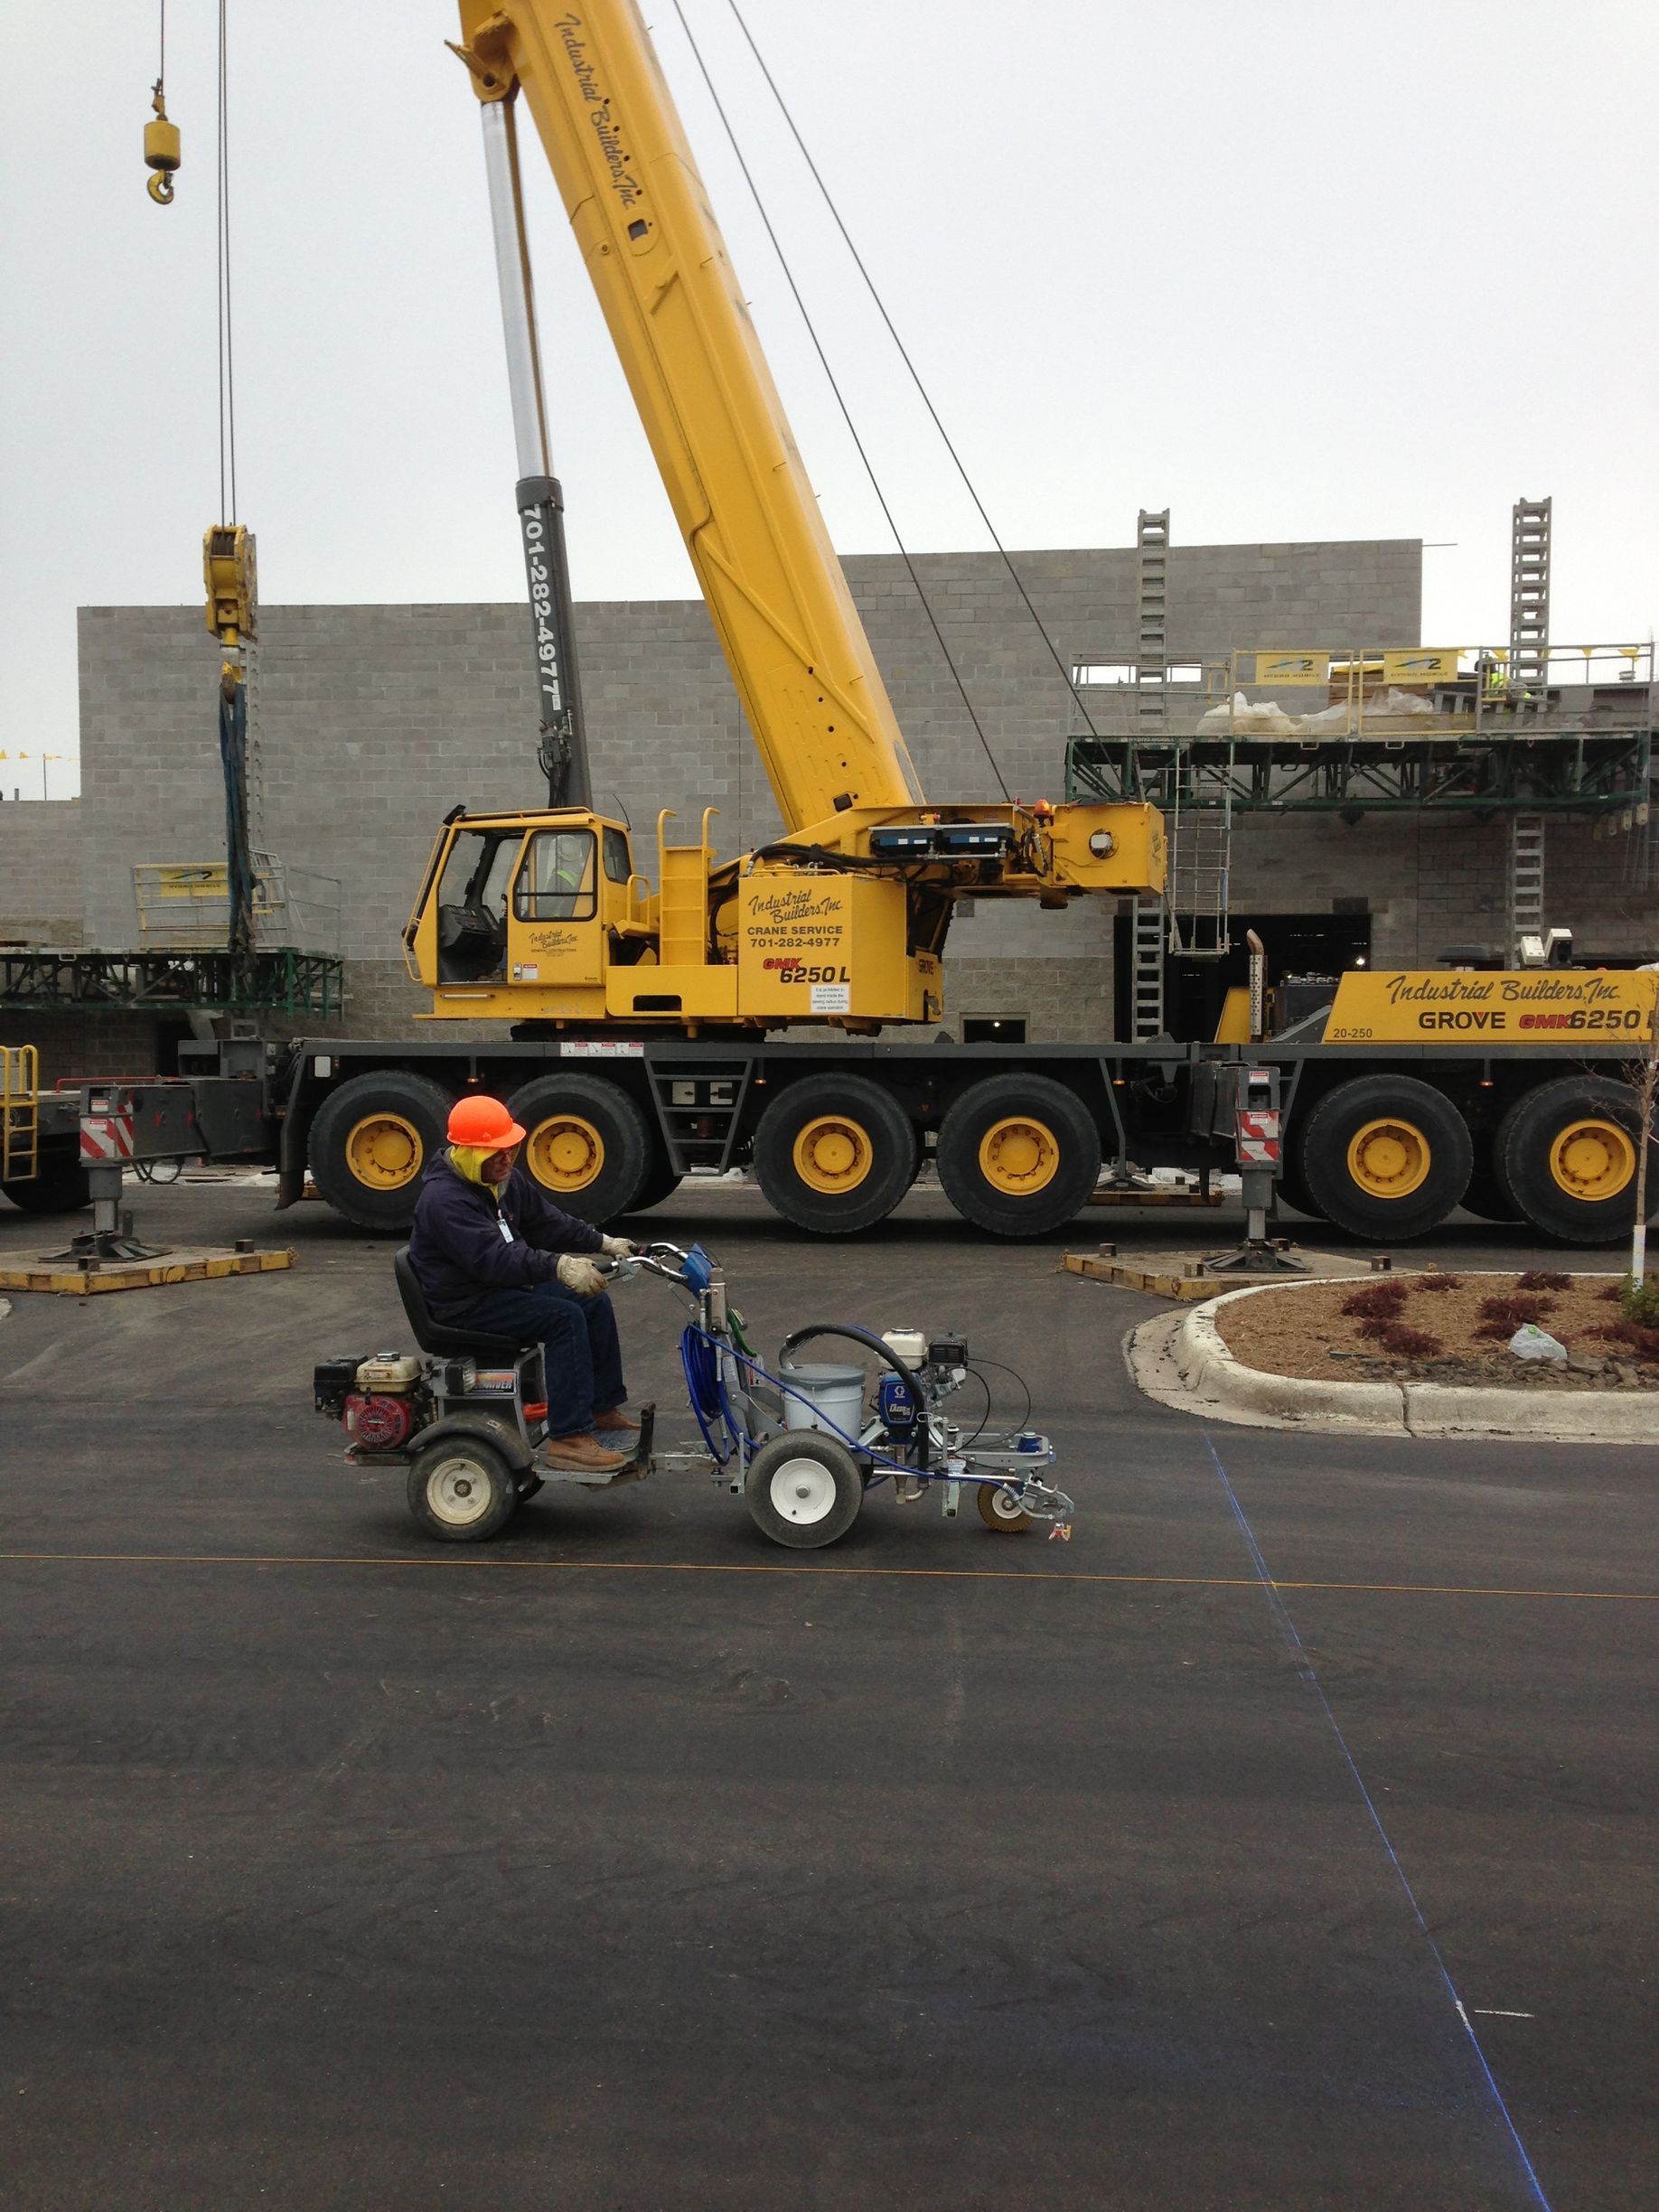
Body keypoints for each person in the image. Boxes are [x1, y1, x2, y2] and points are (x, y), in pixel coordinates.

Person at [407, 1093, 638, 1475]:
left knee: (592, 1302)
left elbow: (547, 1221)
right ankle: (569, 1438)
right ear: (468, 1153)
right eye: (495, 1152)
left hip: (495, 1287)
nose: (506, 1158)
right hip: (465, 1302)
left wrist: (602, 1242)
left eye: (509, 1149)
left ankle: (601, 1408)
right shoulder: (444, 1200)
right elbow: (495, 1261)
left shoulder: (499, 1180)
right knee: (564, 1318)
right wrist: (559, 1266)